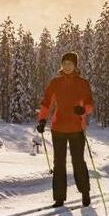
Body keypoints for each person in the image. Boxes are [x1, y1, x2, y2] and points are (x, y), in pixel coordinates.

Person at [36, 51, 94, 207]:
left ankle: (85, 192)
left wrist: (84, 110)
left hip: (77, 128)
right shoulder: (55, 82)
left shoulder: (82, 83)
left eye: (70, 63)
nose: (67, 66)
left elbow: (89, 104)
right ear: (61, 65)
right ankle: (59, 198)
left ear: (75, 65)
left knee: (78, 162)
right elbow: (47, 102)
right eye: (65, 63)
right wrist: (42, 119)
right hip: (58, 128)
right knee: (59, 163)